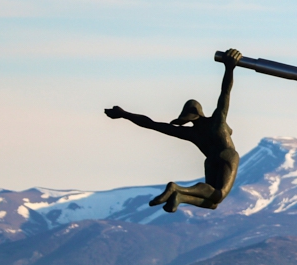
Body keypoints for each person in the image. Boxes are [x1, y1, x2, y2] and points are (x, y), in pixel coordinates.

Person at [104, 49, 242, 213]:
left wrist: (124, 114)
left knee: (211, 203)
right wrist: (229, 68)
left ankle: (179, 197)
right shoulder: (217, 122)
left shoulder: (191, 133)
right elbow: (225, 93)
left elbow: (151, 124)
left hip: (210, 160)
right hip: (227, 155)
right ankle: (177, 188)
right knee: (218, 195)